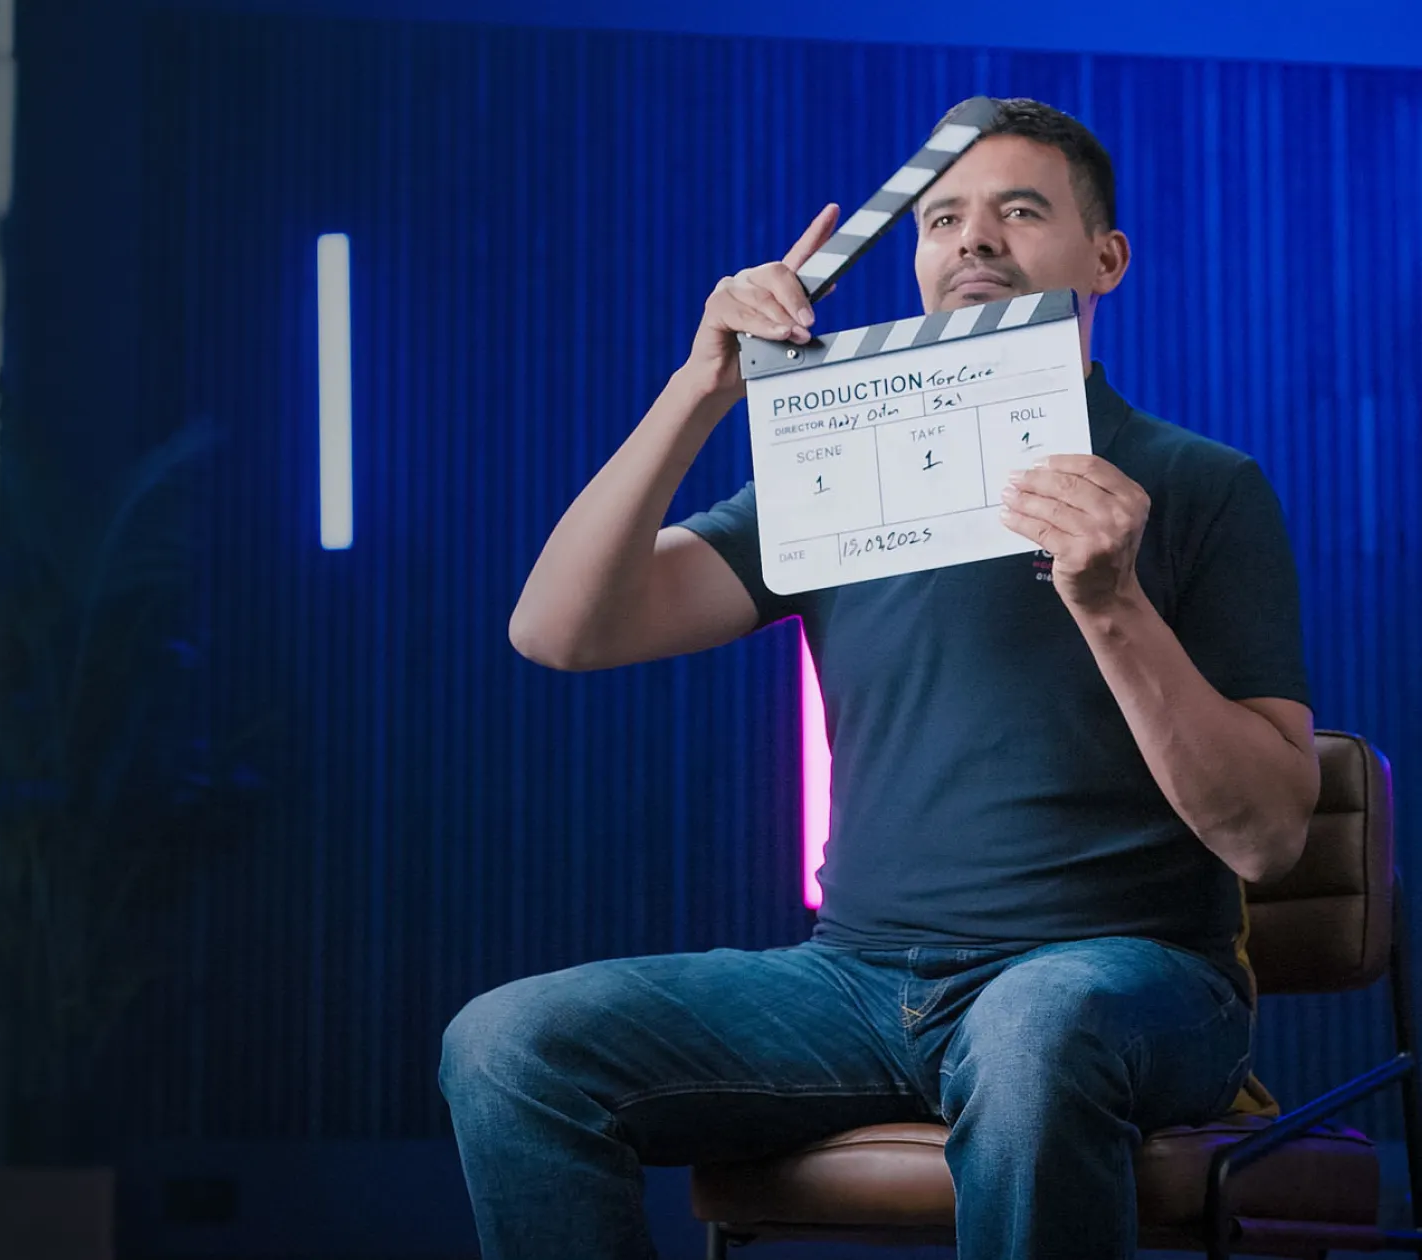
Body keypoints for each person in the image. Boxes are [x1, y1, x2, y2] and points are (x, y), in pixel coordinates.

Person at [438, 97, 1320, 1260]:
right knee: (509, 1042)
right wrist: (700, 384)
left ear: (1104, 257)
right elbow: (559, 629)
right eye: (941, 217)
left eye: (1018, 209)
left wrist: (1112, 602)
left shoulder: (1201, 485)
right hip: (855, 982)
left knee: (1035, 1025)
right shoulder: (836, 474)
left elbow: (1268, 840)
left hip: (1126, 977)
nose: (973, 238)